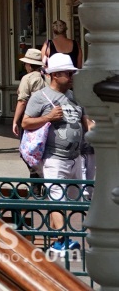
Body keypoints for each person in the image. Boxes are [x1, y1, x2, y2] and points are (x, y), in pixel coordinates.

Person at [24, 52, 93, 247]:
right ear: (55, 75)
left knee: (68, 200)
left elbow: (86, 123)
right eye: (68, 73)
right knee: (57, 197)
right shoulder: (40, 97)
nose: (72, 77)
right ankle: (63, 240)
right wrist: (47, 118)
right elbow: (26, 122)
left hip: (76, 157)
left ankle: (57, 239)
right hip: (53, 157)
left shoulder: (75, 97)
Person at [12, 47, 48, 178]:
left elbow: (22, 101)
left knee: (27, 151)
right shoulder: (48, 77)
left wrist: (15, 121)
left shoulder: (27, 78)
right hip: (47, 118)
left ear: (29, 64)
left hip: (31, 118)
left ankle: (36, 179)